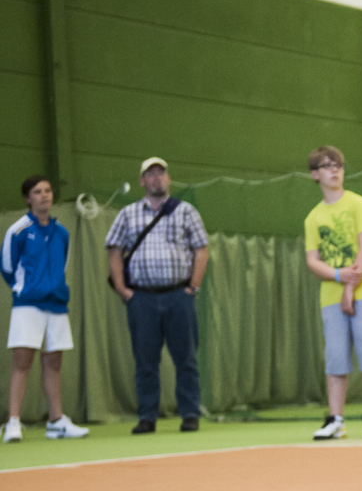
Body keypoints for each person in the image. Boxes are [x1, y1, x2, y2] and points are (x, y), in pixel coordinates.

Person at [106, 158, 209, 434]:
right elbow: (114, 250)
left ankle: (189, 413)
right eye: (149, 174)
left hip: (179, 295)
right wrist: (122, 289)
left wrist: (193, 287)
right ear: (142, 181)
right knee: (145, 361)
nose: (156, 179)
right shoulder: (127, 214)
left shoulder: (186, 211)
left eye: (160, 173)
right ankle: (147, 416)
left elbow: (202, 249)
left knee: (186, 359)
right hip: (142, 298)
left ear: (168, 178)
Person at [304, 146, 362, 441]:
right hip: (331, 297)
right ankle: (336, 420)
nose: (334, 169)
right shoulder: (313, 218)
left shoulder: (358, 204)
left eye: (338, 164)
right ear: (315, 174)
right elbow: (313, 260)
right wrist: (339, 277)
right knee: (336, 358)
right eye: (326, 166)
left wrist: (350, 287)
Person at [2, 176, 89, 443]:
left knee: (53, 363)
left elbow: (62, 266)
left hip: (57, 305)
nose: (44, 195)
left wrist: (53, 289)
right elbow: (7, 267)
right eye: (37, 192)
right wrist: (26, 289)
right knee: (22, 363)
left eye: (48, 191)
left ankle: (56, 421)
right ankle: (13, 422)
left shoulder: (62, 232)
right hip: (28, 305)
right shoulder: (18, 230)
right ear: (28, 198)